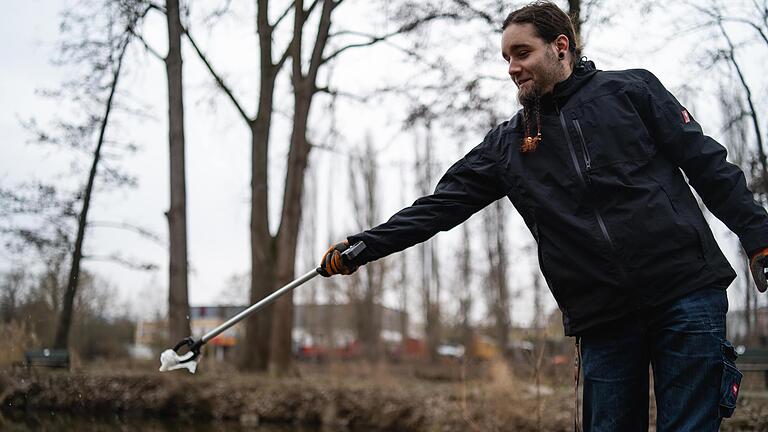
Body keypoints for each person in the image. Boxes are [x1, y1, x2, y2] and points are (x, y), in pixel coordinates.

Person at [318, 2, 768, 431]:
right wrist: (364, 247)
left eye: (522, 52)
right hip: (603, 315)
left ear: (561, 46)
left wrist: (758, 235)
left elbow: (707, 165)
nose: (511, 67)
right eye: (506, 58)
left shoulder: (632, 91)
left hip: (684, 291)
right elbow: (438, 207)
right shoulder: (507, 146)